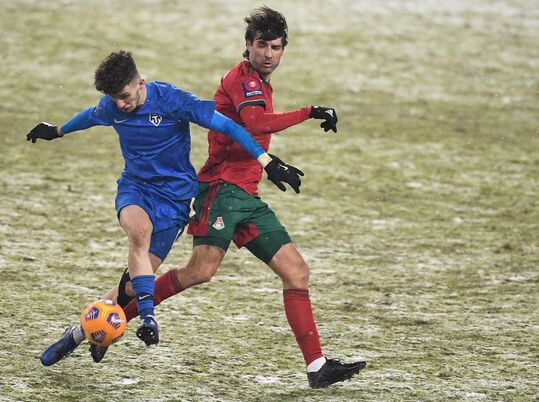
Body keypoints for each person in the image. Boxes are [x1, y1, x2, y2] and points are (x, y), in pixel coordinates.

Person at [107, 7, 366, 388]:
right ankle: (112, 321)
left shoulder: (259, 81)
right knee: (200, 271)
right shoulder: (243, 80)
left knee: (296, 272)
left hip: (245, 195)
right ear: (248, 45)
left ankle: (317, 368)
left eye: (276, 47)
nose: (268, 54)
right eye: (261, 45)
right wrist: (310, 112)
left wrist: (270, 165)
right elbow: (258, 123)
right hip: (222, 190)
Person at [30, 50, 303, 365]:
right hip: (136, 187)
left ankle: (78, 333)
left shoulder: (173, 101)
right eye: (114, 99)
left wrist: (266, 161)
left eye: (125, 96)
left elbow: (229, 127)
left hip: (174, 200)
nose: (120, 104)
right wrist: (58, 130)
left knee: (132, 285)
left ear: (141, 83)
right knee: (138, 234)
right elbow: (91, 116)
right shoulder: (112, 106)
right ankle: (140, 317)